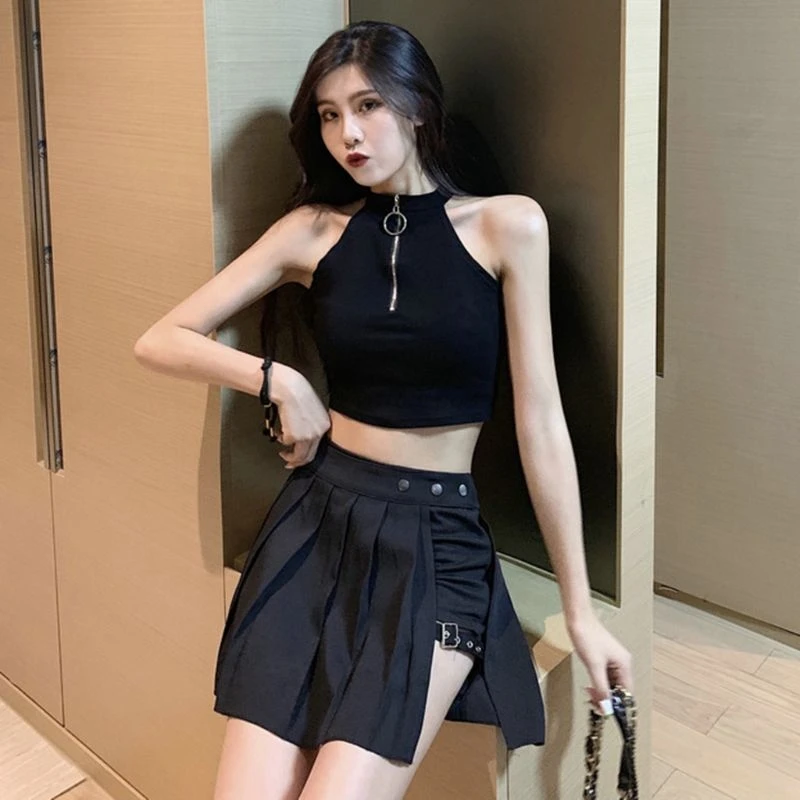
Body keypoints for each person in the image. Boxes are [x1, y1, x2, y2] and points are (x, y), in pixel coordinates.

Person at [134, 19, 633, 800]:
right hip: (316, 525)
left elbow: (541, 424)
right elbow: (159, 339)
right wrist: (280, 380)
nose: (348, 134)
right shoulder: (312, 230)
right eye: (330, 114)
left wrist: (581, 612)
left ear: (418, 106)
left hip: (436, 544)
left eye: (368, 105)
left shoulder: (507, 225)